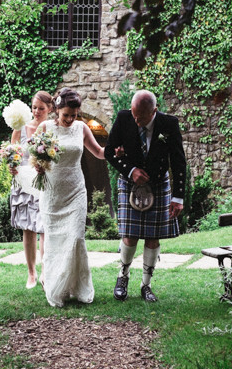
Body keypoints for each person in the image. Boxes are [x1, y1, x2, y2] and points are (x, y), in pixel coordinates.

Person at [104, 89, 187, 302]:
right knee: (129, 235)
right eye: (134, 114)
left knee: (152, 237)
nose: (136, 120)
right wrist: (130, 170)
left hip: (158, 184)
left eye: (140, 117)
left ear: (154, 111)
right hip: (130, 182)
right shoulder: (124, 118)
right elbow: (109, 151)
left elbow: (178, 161)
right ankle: (122, 277)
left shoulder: (169, 124)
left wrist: (178, 197)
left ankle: (146, 285)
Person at [35, 88, 106, 307]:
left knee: (76, 238)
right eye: (66, 115)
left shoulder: (82, 128)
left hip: (76, 191)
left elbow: (99, 152)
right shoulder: (45, 128)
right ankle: (57, 285)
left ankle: (79, 287)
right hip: (52, 194)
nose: (70, 119)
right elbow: (35, 157)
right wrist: (38, 164)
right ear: (56, 110)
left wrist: (117, 151)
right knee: (55, 240)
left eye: (74, 115)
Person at [9, 91, 54, 289]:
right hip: (24, 183)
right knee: (28, 229)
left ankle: (45, 271)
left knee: (44, 227)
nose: (36, 112)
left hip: (43, 182)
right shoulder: (22, 126)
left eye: (41, 108)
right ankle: (31, 273)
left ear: (50, 109)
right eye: (34, 107)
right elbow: (13, 149)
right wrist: (12, 163)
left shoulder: (51, 128)